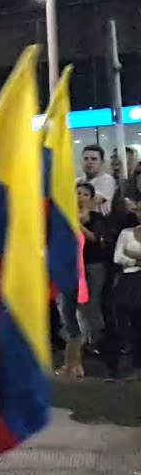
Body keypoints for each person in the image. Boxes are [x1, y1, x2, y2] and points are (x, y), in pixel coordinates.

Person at [60, 183, 107, 376]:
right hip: (69, 267)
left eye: (85, 194)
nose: (80, 197)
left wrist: (76, 224)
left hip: (91, 267)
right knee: (67, 312)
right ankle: (70, 361)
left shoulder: (97, 218)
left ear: (91, 198)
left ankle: (93, 349)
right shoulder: (64, 216)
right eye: (77, 193)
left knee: (87, 309)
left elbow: (95, 238)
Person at [107, 213, 141, 380]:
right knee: (123, 318)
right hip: (128, 279)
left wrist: (132, 254)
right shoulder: (126, 233)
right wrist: (136, 261)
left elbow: (125, 254)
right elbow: (118, 256)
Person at [82, 144, 115, 217]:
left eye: (93, 159)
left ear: (102, 162)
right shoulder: (78, 181)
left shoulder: (107, 180)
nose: (89, 162)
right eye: (86, 158)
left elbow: (92, 202)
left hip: (97, 221)